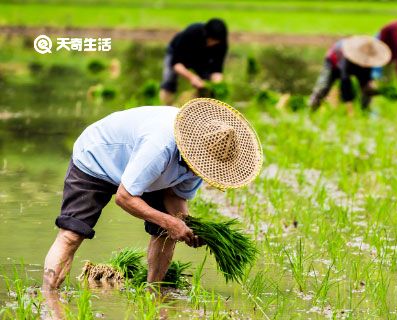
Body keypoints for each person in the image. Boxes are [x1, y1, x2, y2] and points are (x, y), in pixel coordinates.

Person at [42, 98, 263, 315]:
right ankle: (49, 300)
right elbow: (125, 197)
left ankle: (153, 295)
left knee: (166, 232)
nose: (203, 171)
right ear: (192, 149)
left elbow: (176, 198)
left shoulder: (202, 164)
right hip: (97, 158)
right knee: (72, 234)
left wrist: (186, 225)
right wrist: (169, 222)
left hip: (147, 171)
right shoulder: (160, 145)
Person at [309, 36, 392, 115]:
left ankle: (365, 111)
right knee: (324, 86)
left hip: (353, 65)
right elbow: (345, 82)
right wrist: (350, 109)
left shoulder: (368, 61)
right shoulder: (347, 57)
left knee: (367, 88)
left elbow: (366, 81)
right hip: (333, 62)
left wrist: (376, 90)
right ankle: (311, 109)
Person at [160, 19, 229, 105]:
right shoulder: (192, 33)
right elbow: (176, 64)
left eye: (215, 42)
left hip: (201, 57)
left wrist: (216, 85)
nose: (212, 44)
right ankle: (165, 107)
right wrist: (192, 77)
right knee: (169, 83)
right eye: (210, 40)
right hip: (179, 54)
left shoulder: (221, 43)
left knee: (205, 88)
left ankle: (195, 110)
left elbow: (217, 69)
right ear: (206, 35)